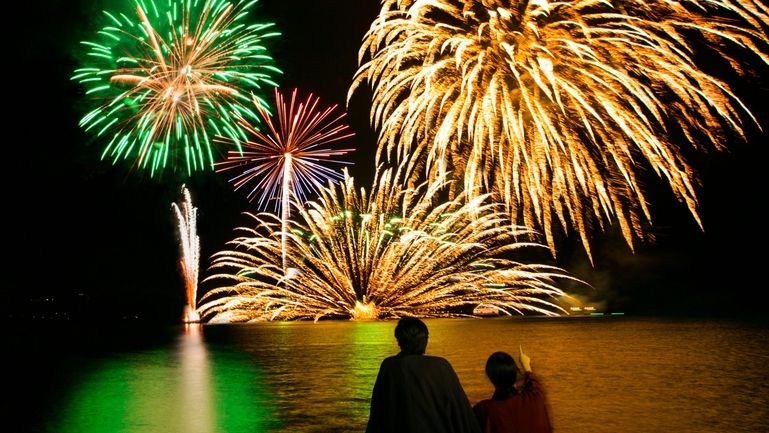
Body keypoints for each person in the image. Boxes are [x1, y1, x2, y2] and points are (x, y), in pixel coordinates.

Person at [366, 317, 482, 433]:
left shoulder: (389, 366)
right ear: (425, 339)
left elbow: (378, 413)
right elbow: (460, 410)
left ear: (399, 340)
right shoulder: (441, 366)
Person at [473, 346, 553, 433]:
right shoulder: (534, 398)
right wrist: (526, 364)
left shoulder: (483, 411)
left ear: (491, 378)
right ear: (516, 374)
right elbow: (534, 384)